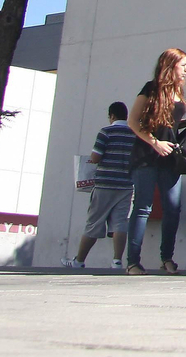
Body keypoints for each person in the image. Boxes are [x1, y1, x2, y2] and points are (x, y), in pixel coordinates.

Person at [126, 48, 186, 274]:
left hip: (170, 157)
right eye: (183, 65)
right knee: (143, 207)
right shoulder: (151, 89)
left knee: (173, 208)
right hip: (147, 156)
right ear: (170, 65)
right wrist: (154, 142)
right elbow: (133, 121)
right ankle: (132, 262)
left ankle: (167, 258)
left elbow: (169, 124)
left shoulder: (179, 92)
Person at [62, 101, 135, 269]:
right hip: (125, 185)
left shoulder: (106, 132)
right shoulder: (134, 134)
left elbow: (95, 158)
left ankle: (79, 261)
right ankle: (117, 261)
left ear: (112, 116)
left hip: (105, 184)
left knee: (94, 222)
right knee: (120, 223)